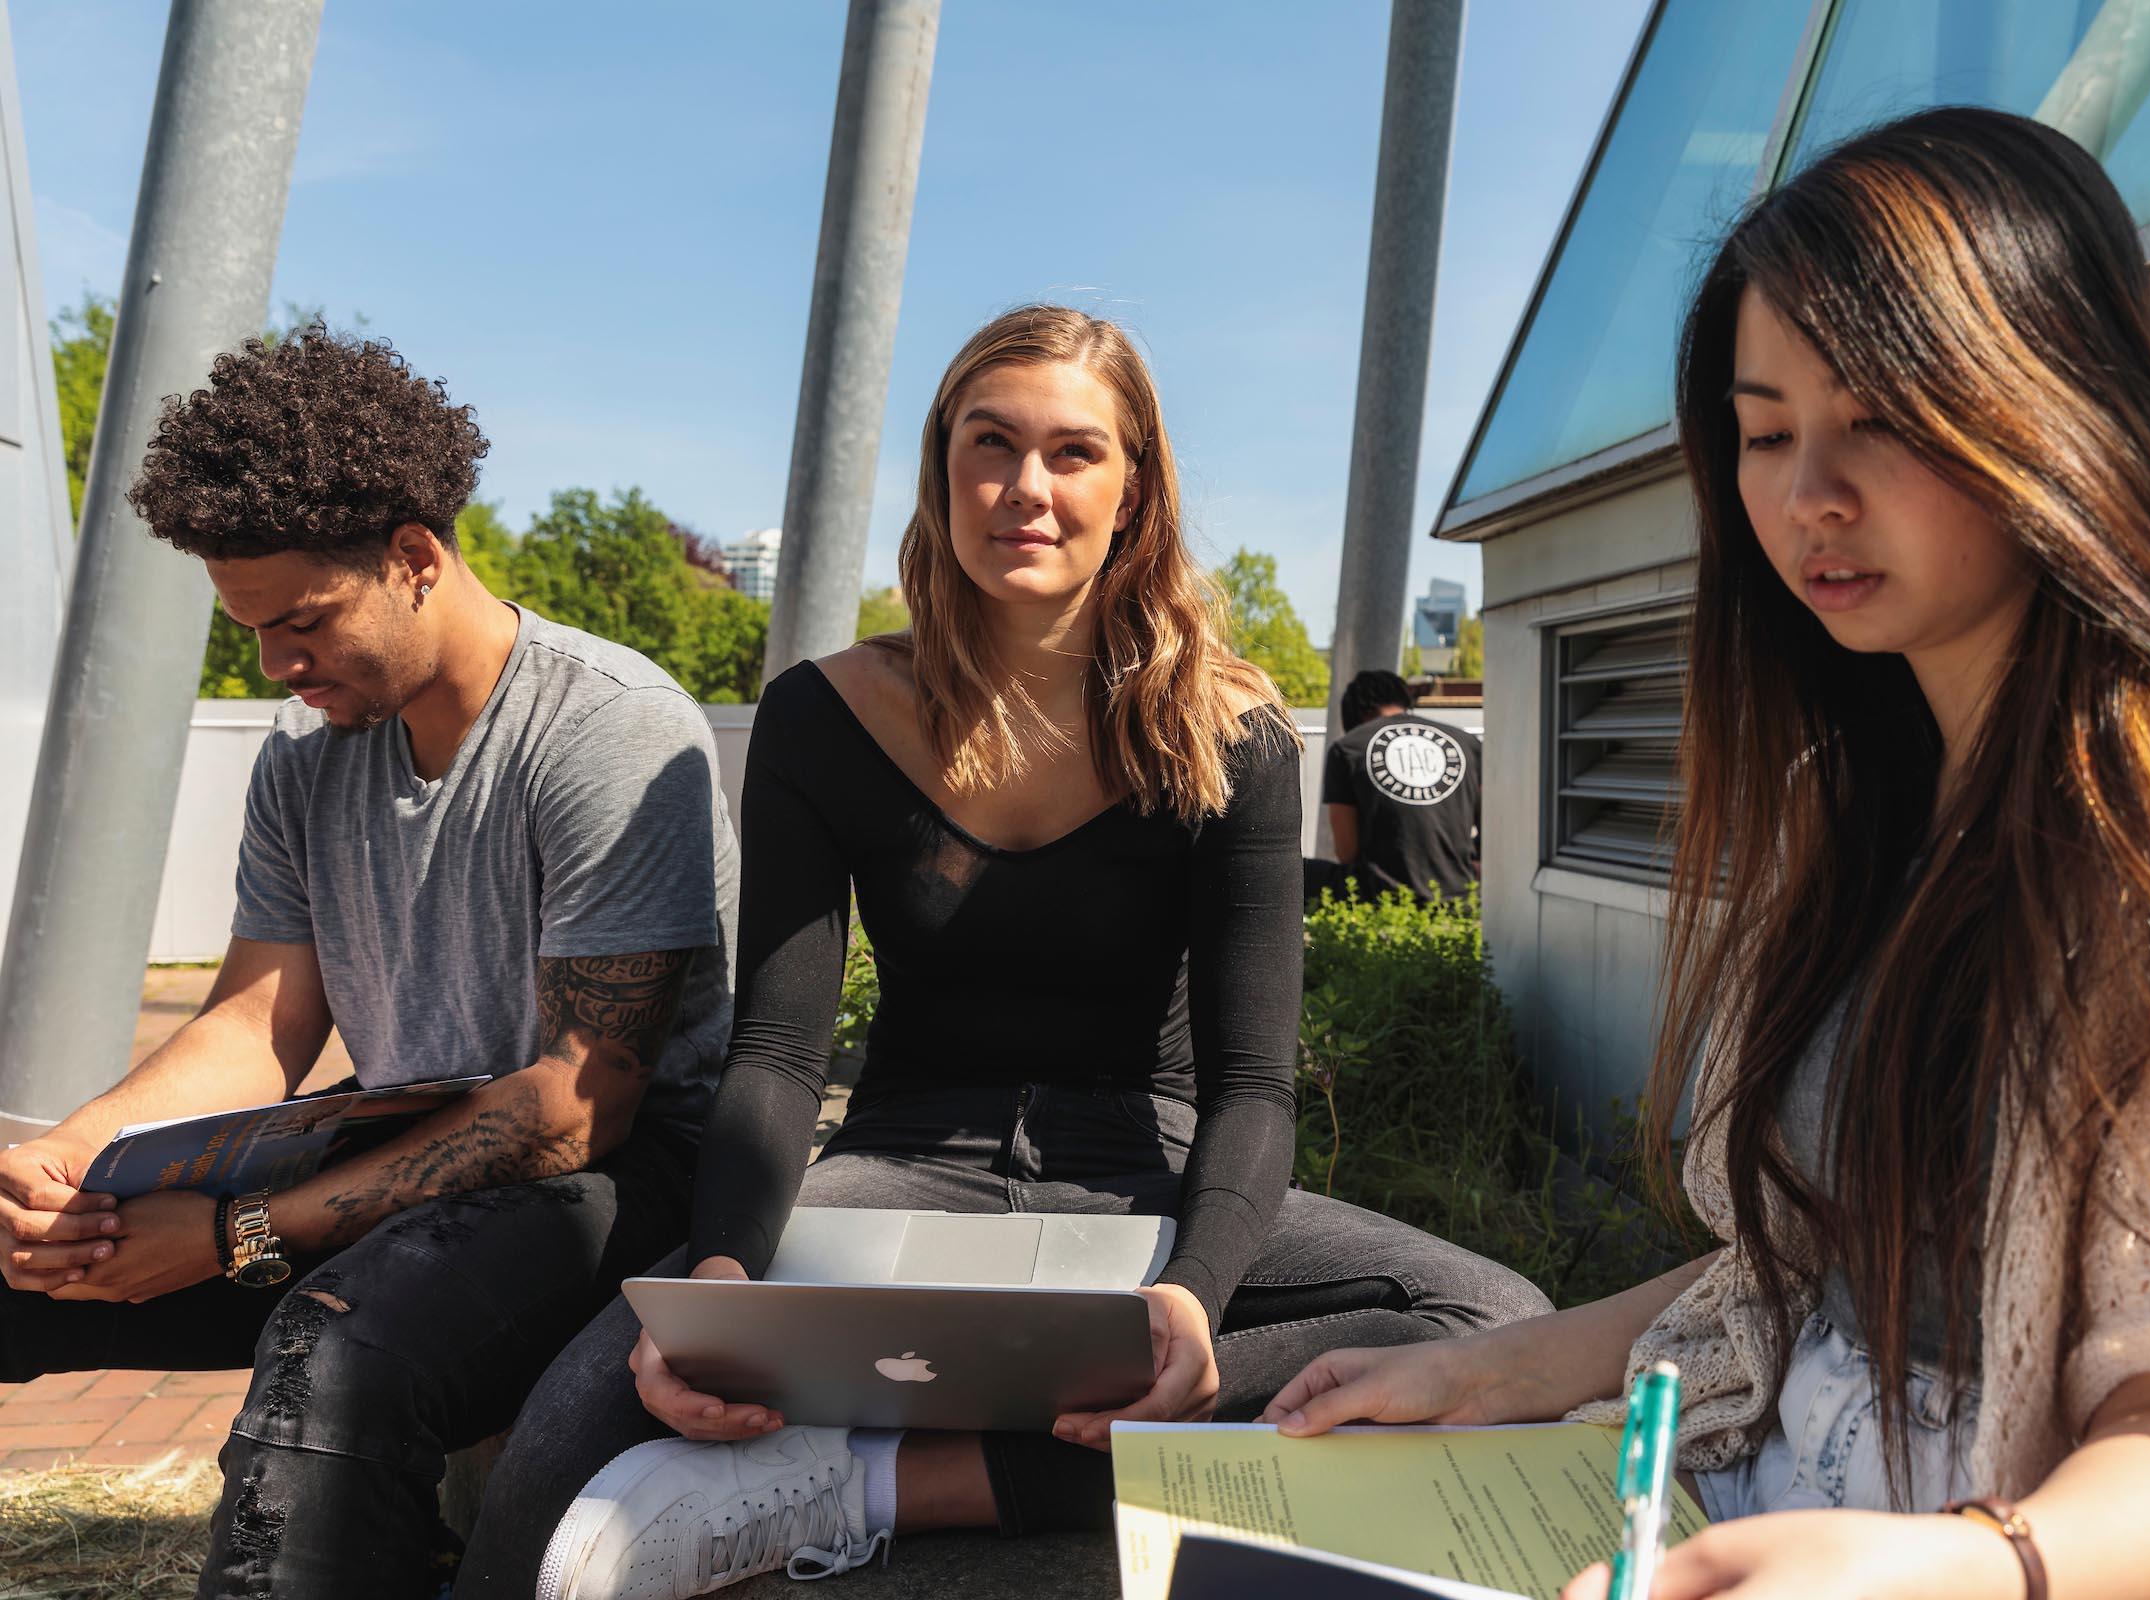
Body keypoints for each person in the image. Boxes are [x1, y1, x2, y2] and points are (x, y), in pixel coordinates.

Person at [1263, 108, 2150, 1600]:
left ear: (2051, 403)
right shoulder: (1860, 801)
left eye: (1877, 418)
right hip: (1706, 1520)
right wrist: (1489, 1374)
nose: (1809, 497)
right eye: (1765, 432)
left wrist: (1958, 1571)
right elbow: (1827, 1268)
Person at [457, 306, 1552, 1599]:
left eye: (1074, 453)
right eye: (992, 444)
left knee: (1497, 1327)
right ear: (942, 467)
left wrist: (1195, 1302)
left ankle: (869, 1485)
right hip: (910, 1169)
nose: (1026, 488)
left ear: (1134, 489)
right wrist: (728, 1283)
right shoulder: (826, 714)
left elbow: (1253, 1085)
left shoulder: (1233, 732)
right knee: (594, 1401)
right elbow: (777, 1053)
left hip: (1146, 1173)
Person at [0, 327, 740, 1598]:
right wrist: (70, 1162)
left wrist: (231, 1236)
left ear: (412, 559)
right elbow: (256, 1020)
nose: (275, 666)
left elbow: (579, 1103)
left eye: (300, 622)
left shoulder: (607, 728)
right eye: (251, 630)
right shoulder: (305, 761)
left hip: (621, 1186)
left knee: (333, 1351)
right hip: (394, 1147)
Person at [1311, 668, 1481, 903]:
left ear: (1355, 714)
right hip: (1457, 893)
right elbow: (1492, 829)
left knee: (1294, 872)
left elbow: (1346, 851)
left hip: (1378, 894)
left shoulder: (1348, 748)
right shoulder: (1467, 743)